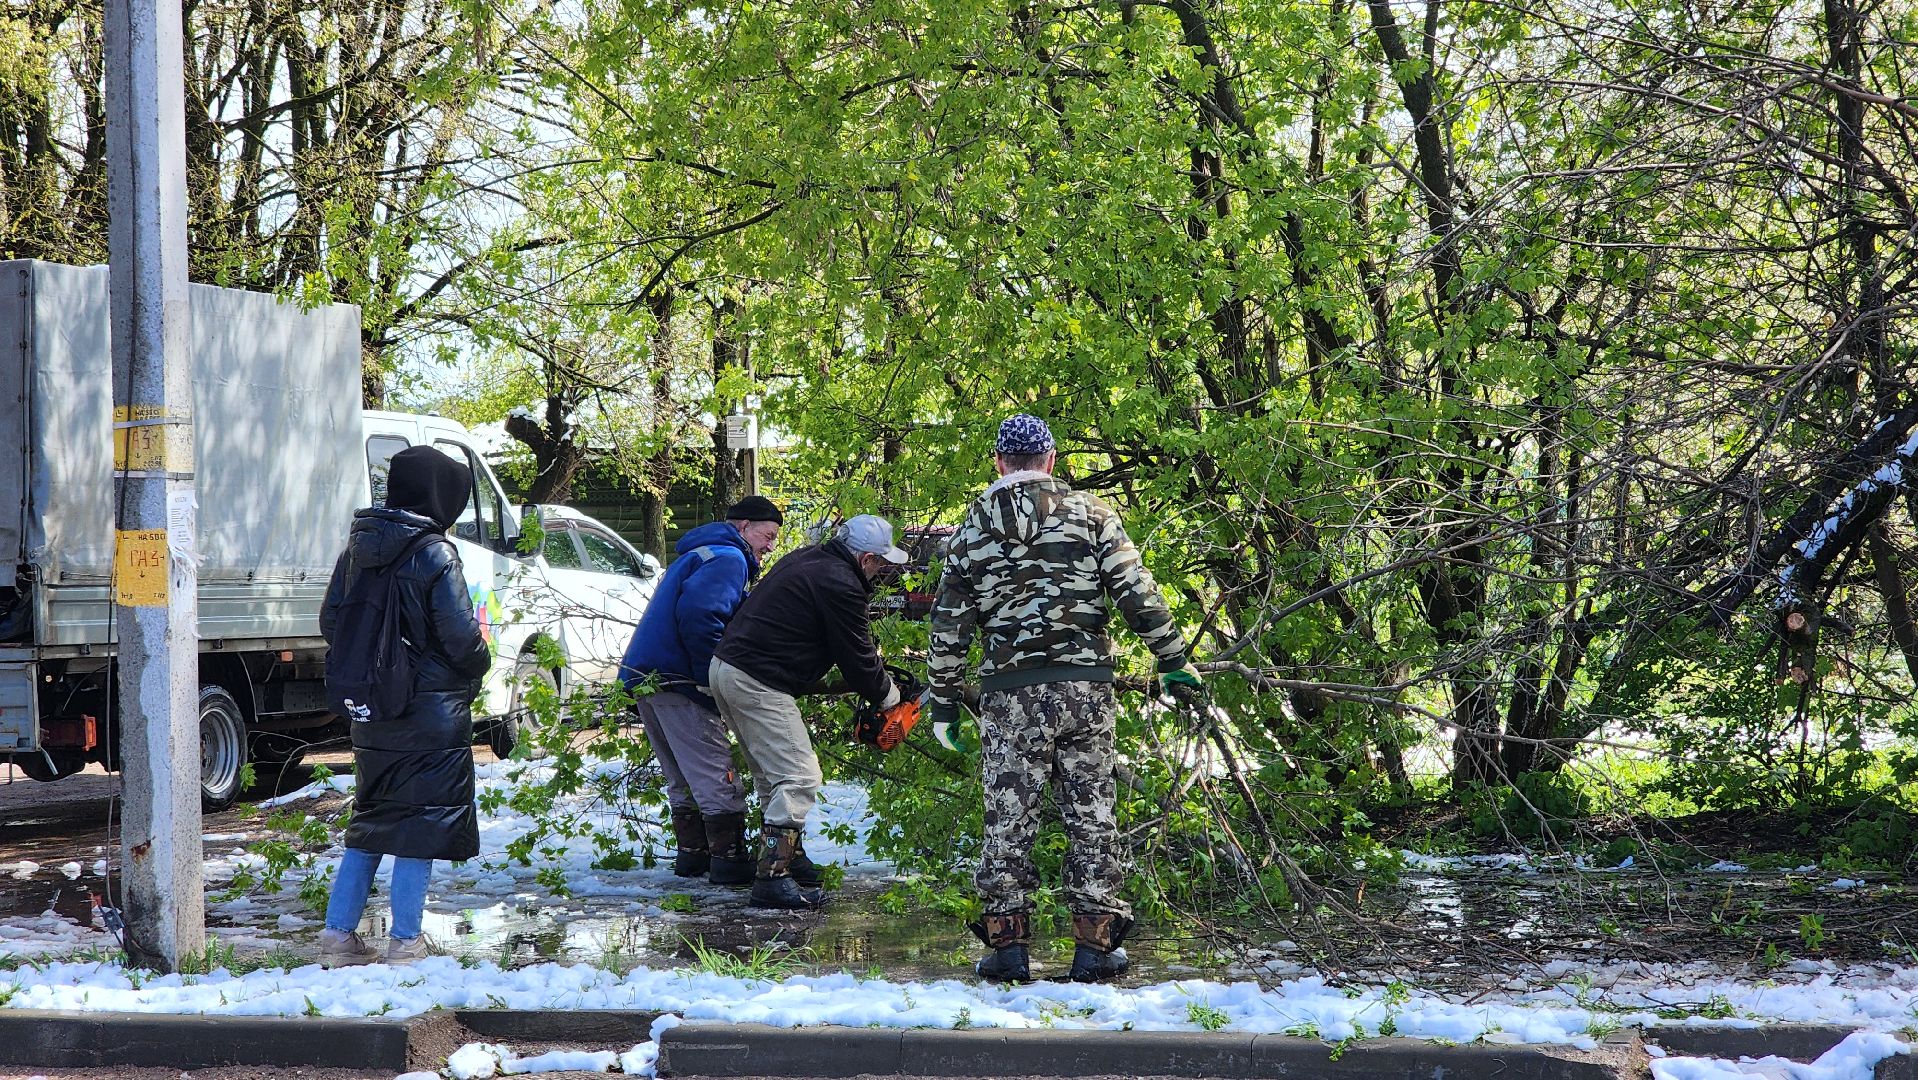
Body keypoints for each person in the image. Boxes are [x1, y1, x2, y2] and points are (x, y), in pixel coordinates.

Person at [926, 414, 1201, 984]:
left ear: (999, 463)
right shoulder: (1092, 515)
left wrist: (945, 700)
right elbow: (1135, 590)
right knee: (1091, 811)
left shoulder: (972, 528)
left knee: (1008, 817)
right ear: (1051, 461)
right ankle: (1096, 948)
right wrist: (1172, 658)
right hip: (1084, 689)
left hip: (1010, 696)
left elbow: (949, 621)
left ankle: (1007, 950)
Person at [317, 445, 493, 967]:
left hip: (375, 712)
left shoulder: (358, 549)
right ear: (439, 494)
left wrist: (379, 672)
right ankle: (406, 942)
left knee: (372, 819)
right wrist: (473, 666)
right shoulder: (435, 553)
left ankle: (337, 935)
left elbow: (333, 623)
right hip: (430, 713)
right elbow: (462, 640)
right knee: (419, 825)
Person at [709, 515, 907, 909]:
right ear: (866, 558)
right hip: (757, 678)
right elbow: (857, 655)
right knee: (800, 775)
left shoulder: (809, 559)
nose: (883, 571)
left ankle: (788, 856)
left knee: (771, 775)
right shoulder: (841, 583)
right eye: (881, 563)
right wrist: (889, 698)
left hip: (727, 669)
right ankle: (772, 877)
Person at [618, 495, 783, 886]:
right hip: (679, 678)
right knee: (713, 771)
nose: (772, 545)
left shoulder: (701, 553)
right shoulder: (729, 558)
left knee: (681, 774)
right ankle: (728, 861)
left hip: (648, 677)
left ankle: (693, 857)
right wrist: (711, 682)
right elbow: (702, 618)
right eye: (768, 534)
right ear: (743, 526)